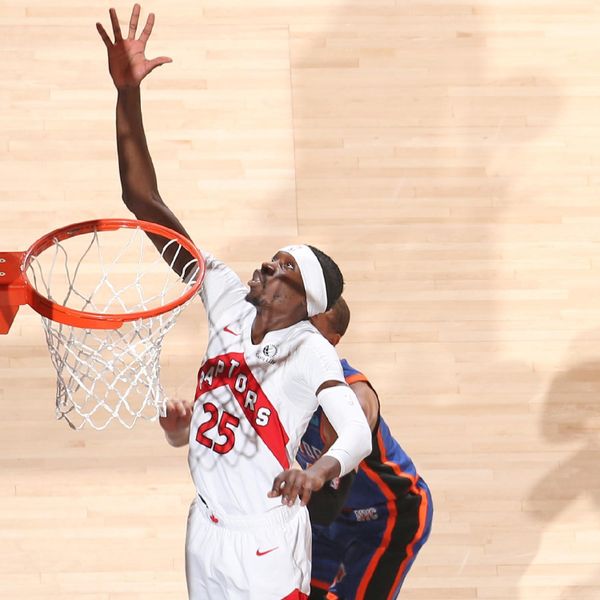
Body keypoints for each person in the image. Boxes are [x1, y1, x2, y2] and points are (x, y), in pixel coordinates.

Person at [96, 5, 373, 599]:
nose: (267, 265)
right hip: (205, 532)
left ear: (304, 301)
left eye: (283, 268)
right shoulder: (226, 296)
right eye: (273, 257)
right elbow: (143, 199)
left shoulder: (307, 351)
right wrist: (127, 95)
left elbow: (355, 431)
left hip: (266, 545)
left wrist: (319, 470)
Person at [299, 298, 433, 600]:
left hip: (389, 517)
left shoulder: (353, 398)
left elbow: (326, 501)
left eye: (310, 326)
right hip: (331, 520)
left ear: (332, 341)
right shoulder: (284, 381)